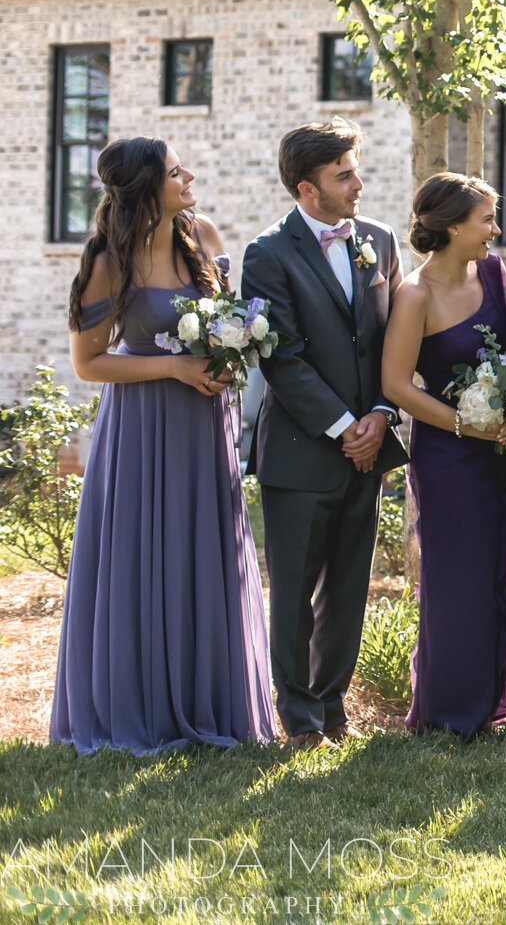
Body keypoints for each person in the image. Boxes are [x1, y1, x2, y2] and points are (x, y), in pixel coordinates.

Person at [51, 139, 276, 753]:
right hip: (140, 429)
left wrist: (228, 360)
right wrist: (171, 370)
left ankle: (211, 701)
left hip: (204, 423)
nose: (190, 177)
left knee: (202, 550)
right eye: (177, 172)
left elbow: (230, 320)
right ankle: (137, 703)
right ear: (147, 187)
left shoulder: (199, 233)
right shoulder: (107, 260)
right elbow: (89, 364)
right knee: (139, 553)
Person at [244, 119, 408, 750]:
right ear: (306, 190)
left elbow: (394, 338)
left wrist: (381, 415)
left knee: (348, 589)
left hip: (371, 443)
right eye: (344, 176)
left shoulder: (380, 240)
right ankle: (300, 717)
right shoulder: (267, 254)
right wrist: (345, 427)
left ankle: (334, 706)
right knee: (294, 592)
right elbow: (280, 357)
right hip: (302, 452)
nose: (358, 185)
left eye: (355, 170)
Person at [379, 173, 506, 737]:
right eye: (486, 220)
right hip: (447, 456)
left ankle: (494, 700)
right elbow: (397, 385)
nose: (494, 229)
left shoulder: (494, 271)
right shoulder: (414, 294)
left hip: (501, 451)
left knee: (502, 569)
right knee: (457, 580)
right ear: (450, 226)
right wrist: (468, 425)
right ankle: (447, 711)